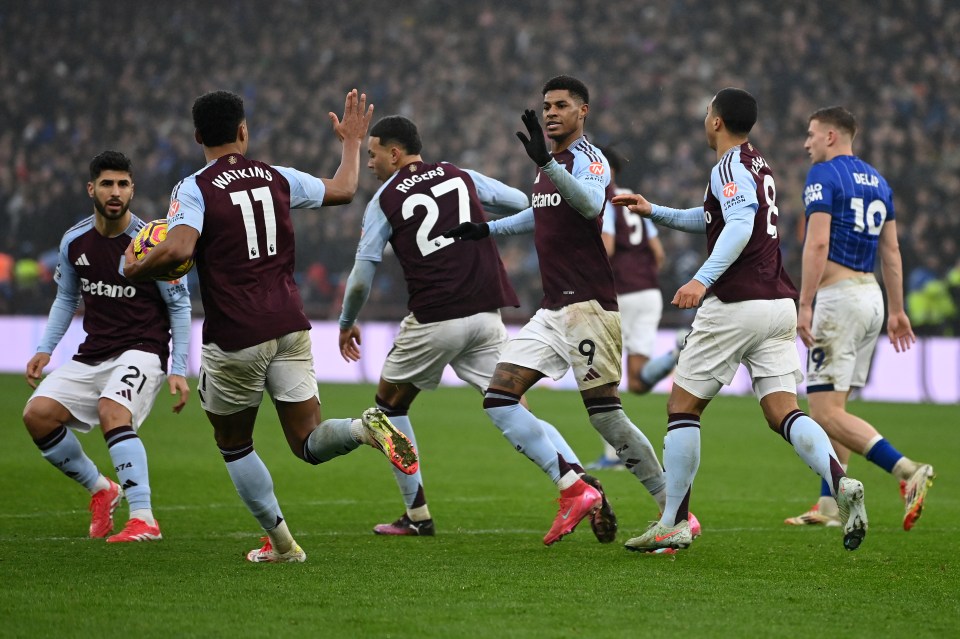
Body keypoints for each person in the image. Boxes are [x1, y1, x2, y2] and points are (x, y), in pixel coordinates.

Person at [123, 89, 418, 564]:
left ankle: (282, 545)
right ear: (243, 131)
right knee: (308, 440)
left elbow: (177, 250)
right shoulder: (275, 176)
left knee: (235, 444)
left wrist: (133, 268)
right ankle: (363, 428)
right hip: (290, 325)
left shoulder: (194, 187)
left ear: (198, 135)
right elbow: (343, 189)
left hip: (236, 334)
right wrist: (351, 142)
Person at [337, 115, 616, 541]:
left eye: (372, 154)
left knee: (388, 409)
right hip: (487, 311)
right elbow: (525, 201)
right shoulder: (460, 175)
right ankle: (579, 481)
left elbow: (362, 273)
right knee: (512, 404)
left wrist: (346, 321)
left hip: (433, 316)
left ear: (395, 153)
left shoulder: (385, 198)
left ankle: (417, 515)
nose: (370, 163)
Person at [613, 88, 867, 553]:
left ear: (717, 121)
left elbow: (739, 224)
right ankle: (839, 480)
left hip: (737, 304)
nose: (704, 116)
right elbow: (716, 218)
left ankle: (673, 522)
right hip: (777, 305)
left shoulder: (727, 166)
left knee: (682, 409)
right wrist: (657, 212)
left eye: (707, 110)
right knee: (782, 412)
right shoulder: (757, 164)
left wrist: (701, 279)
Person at [444, 75, 685, 546]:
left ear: (583, 112)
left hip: (590, 307)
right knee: (498, 397)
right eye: (546, 105)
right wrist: (485, 230)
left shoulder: (589, 160)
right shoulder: (549, 164)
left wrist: (547, 166)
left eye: (561, 105)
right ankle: (573, 486)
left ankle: (673, 510)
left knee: (606, 417)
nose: (551, 112)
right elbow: (541, 212)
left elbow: (590, 203)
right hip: (554, 308)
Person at [22, 150, 191, 543]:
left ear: (132, 190)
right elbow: (66, 298)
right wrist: (46, 348)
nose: (115, 192)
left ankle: (144, 518)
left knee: (112, 409)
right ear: (91, 189)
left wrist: (179, 367)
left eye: (122, 184)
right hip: (94, 352)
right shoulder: (74, 240)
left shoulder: (152, 243)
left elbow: (179, 306)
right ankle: (102, 488)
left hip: (143, 348)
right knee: (37, 415)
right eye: (107, 184)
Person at [785, 106, 934, 531]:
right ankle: (829, 506)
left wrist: (805, 302)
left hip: (838, 300)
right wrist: (898, 309)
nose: (806, 142)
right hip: (870, 297)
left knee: (825, 413)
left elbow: (817, 244)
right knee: (837, 405)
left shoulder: (824, 177)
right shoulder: (879, 182)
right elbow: (891, 251)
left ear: (832, 136)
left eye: (811, 134)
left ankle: (907, 471)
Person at [586, 146, 684, 470]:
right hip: (649, 292)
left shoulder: (604, 196)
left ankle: (612, 455)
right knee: (638, 381)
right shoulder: (634, 197)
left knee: (602, 373)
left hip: (622, 294)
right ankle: (675, 355)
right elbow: (658, 252)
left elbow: (608, 247)